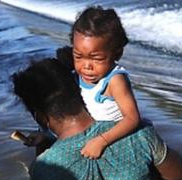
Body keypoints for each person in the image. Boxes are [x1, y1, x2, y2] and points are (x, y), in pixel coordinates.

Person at [12, 58, 182, 180]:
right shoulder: (137, 133)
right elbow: (177, 174)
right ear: (79, 90)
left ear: (40, 118)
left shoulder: (45, 168)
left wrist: (42, 153)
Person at [58, 6, 140, 161]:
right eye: (78, 56)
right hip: (91, 139)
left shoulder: (114, 80)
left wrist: (102, 141)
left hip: (116, 137)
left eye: (97, 59)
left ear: (117, 53)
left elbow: (132, 118)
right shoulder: (76, 77)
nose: (87, 66)